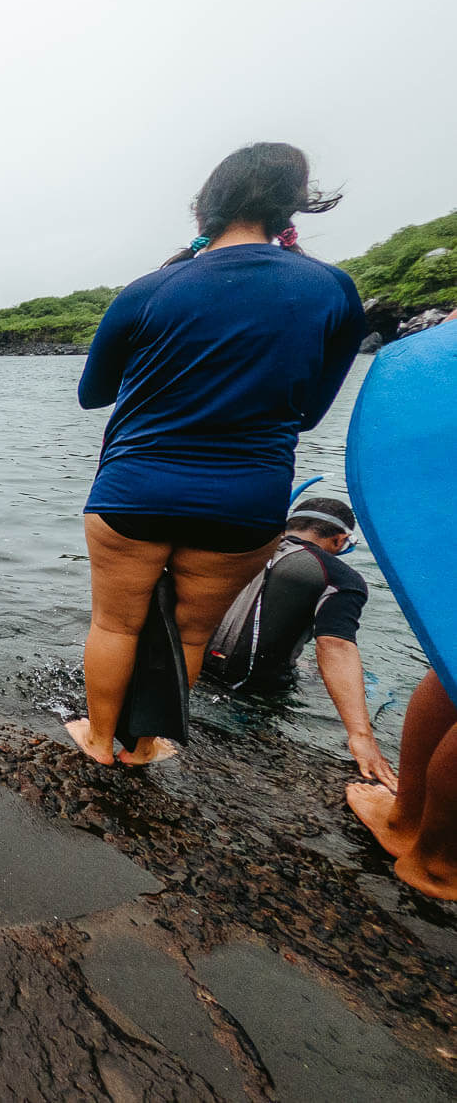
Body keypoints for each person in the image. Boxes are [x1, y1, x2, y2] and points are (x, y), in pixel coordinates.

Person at [66, 142, 365, 766]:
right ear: (293, 208)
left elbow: (93, 393)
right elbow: (309, 412)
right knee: (195, 631)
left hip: (135, 487)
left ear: (206, 205)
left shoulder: (152, 287)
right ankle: (147, 745)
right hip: (246, 498)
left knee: (115, 624)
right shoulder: (332, 288)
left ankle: (98, 739)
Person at [345, 314, 457, 900]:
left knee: (452, 661)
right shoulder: (336, 576)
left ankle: (407, 820)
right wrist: (359, 735)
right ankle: (439, 865)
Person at [203, 496, 396, 789]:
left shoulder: (237, 545)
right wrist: (361, 735)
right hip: (255, 693)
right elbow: (335, 645)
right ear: (341, 539)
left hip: (190, 672)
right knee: (379, 686)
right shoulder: (339, 576)